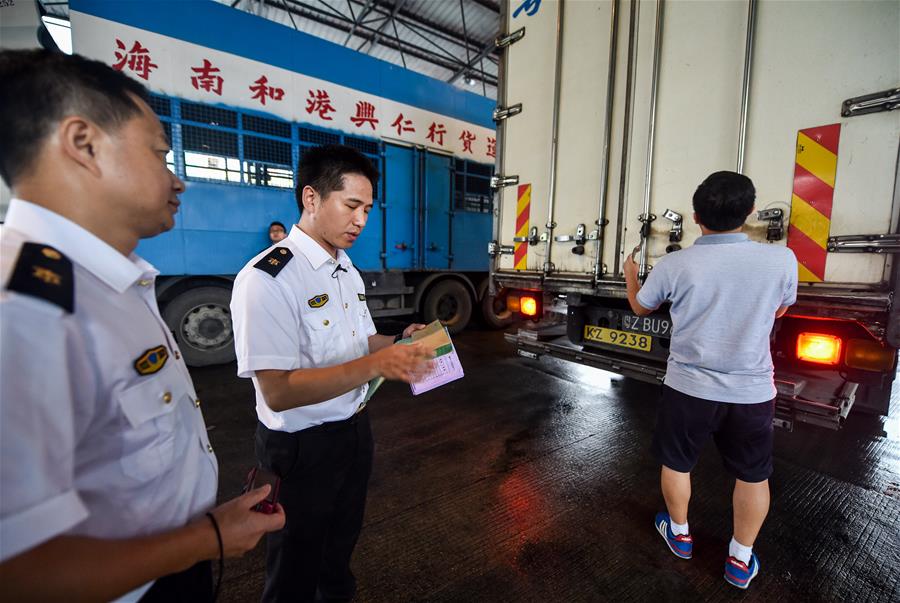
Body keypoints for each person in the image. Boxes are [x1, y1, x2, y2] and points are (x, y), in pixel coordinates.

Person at [0, 49, 285, 602]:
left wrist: (204, 532)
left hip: (171, 561)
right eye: (159, 154)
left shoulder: (107, 283)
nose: (176, 181)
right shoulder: (23, 310)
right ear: (83, 144)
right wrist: (208, 538)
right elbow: (19, 572)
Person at [230, 144, 433, 602]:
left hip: (353, 435)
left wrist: (400, 343)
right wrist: (376, 364)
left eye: (367, 209)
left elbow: (360, 344)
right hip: (300, 451)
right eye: (352, 206)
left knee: (337, 559)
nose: (362, 220)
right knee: (294, 573)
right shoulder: (267, 279)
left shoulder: (345, 270)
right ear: (311, 198)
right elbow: (277, 392)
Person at [624, 171, 797, 590]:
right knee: (753, 474)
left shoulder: (676, 263)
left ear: (697, 215)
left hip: (689, 388)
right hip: (752, 391)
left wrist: (632, 273)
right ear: (751, 212)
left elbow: (641, 307)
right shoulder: (782, 259)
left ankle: (680, 534)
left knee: (677, 461)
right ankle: (740, 560)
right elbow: (779, 310)